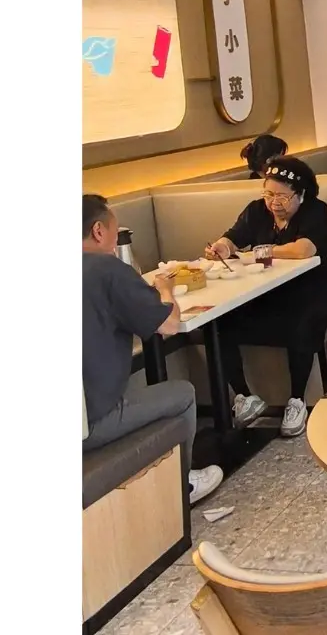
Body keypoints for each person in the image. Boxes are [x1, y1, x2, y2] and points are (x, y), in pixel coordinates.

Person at [83, 194, 223, 504]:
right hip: (89, 421)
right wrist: (165, 290)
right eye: (115, 230)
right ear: (98, 231)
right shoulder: (108, 270)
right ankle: (183, 487)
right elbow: (169, 325)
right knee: (183, 394)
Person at [205, 156, 327, 438]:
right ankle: (245, 397)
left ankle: (297, 400)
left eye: (282, 196)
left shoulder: (316, 210)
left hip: (311, 291)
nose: (274, 202)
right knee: (219, 323)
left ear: (301, 194)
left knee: (303, 321)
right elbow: (232, 238)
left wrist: (260, 252)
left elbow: (304, 249)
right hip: (267, 296)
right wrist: (222, 247)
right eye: (268, 194)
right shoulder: (256, 211)